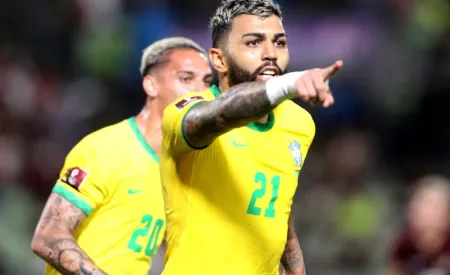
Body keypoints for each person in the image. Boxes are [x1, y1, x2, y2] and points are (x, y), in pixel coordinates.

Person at [160, 0, 342, 274]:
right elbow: (219, 115)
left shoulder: (298, 123)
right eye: (253, 43)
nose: (270, 53)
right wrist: (288, 84)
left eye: (279, 43)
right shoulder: (187, 113)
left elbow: (279, 205)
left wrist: (295, 266)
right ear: (219, 59)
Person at [31, 37, 212, 275]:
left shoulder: (182, 169)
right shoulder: (106, 148)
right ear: (151, 85)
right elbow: (48, 236)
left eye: (208, 82)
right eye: (186, 78)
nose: (202, 91)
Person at [389, 175, 450, 275]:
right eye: (419, 205)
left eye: (432, 206)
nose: (423, 213)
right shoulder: (404, 247)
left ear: (449, 213)